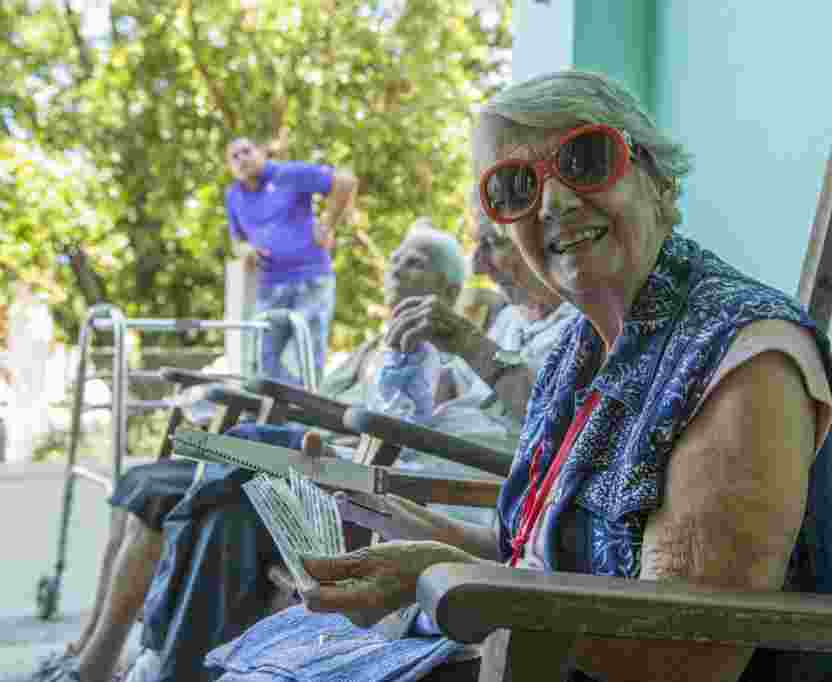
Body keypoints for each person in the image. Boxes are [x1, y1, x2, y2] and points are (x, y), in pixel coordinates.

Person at [208, 70, 832, 682]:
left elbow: (689, 654)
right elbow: (541, 566)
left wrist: (439, 581)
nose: (555, 202)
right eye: (515, 186)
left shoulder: (744, 356)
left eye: (586, 159)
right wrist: (397, 525)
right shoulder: (583, 349)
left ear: (658, 178)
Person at [34, 216, 574, 682]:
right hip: (387, 465)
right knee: (218, 493)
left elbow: (544, 424)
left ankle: (157, 658)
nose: (483, 261)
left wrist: (460, 351)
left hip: (425, 486)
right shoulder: (504, 322)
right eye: (480, 244)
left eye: (494, 244)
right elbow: (420, 408)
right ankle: (157, 660)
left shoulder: (565, 330)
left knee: (227, 472)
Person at [225, 137, 359, 385]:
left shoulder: (289, 173)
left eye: (247, 151)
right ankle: (284, 411)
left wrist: (328, 224)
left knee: (306, 356)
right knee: (261, 357)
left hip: (311, 280)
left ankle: (302, 413)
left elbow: (346, 181)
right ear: (229, 167)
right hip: (270, 284)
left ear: (261, 153)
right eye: (235, 156)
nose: (242, 158)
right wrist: (246, 250)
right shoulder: (233, 196)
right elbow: (237, 242)